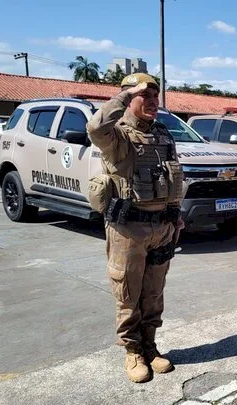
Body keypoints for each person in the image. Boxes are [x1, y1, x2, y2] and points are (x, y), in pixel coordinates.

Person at [87, 73, 183, 383]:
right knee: (128, 293)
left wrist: (176, 215)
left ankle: (150, 346)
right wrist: (125, 95)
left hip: (162, 227)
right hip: (128, 230)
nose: (154, 102)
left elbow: (172, 178)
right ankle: (133, 351)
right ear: (130, 98)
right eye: (145, 96)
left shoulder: (163, 134)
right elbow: (95, 128)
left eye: (156, 96)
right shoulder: (117, 136)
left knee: (153, 293)